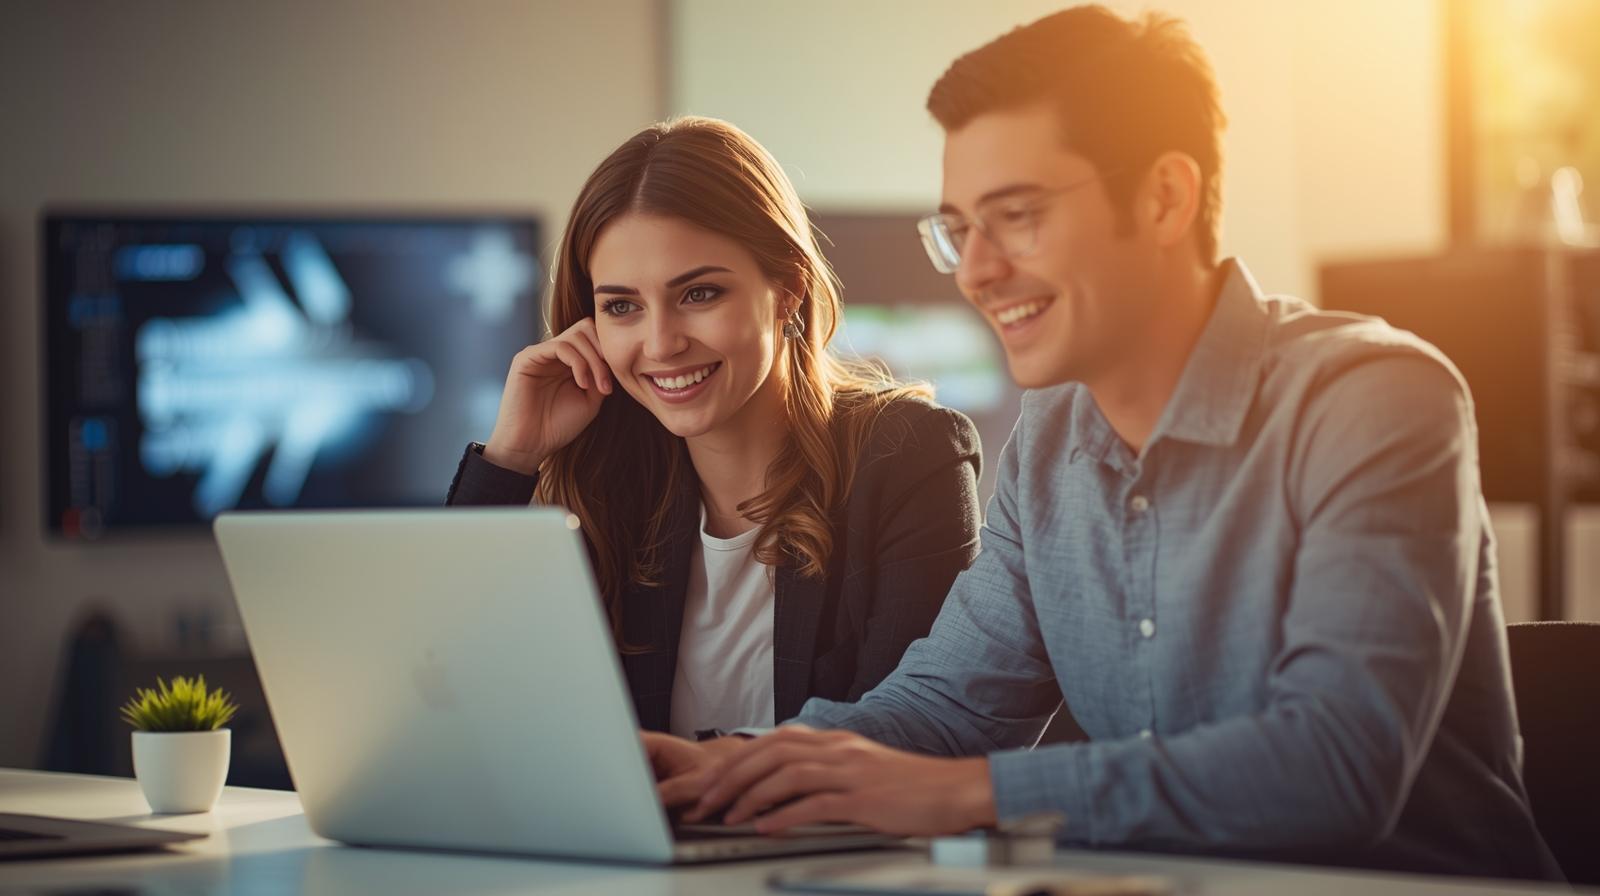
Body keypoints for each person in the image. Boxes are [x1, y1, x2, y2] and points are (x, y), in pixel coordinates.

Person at [645, 7, 1562, 881]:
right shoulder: (1051, 437)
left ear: (1164, 197)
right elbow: (951, 702)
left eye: (1016, 215)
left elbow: (1333, 765)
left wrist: (971, 795)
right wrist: (724, 770)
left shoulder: (1376, 402)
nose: (976, 270)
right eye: (959, 230)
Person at [446, 116, 982, 740]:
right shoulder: (608, 485)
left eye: (699, 294)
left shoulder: (908, 457)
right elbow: (446, 694)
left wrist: (701, 774)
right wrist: (511, 458)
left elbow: (907, 737)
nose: (661, 343)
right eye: (622, 306)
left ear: (789, 289)